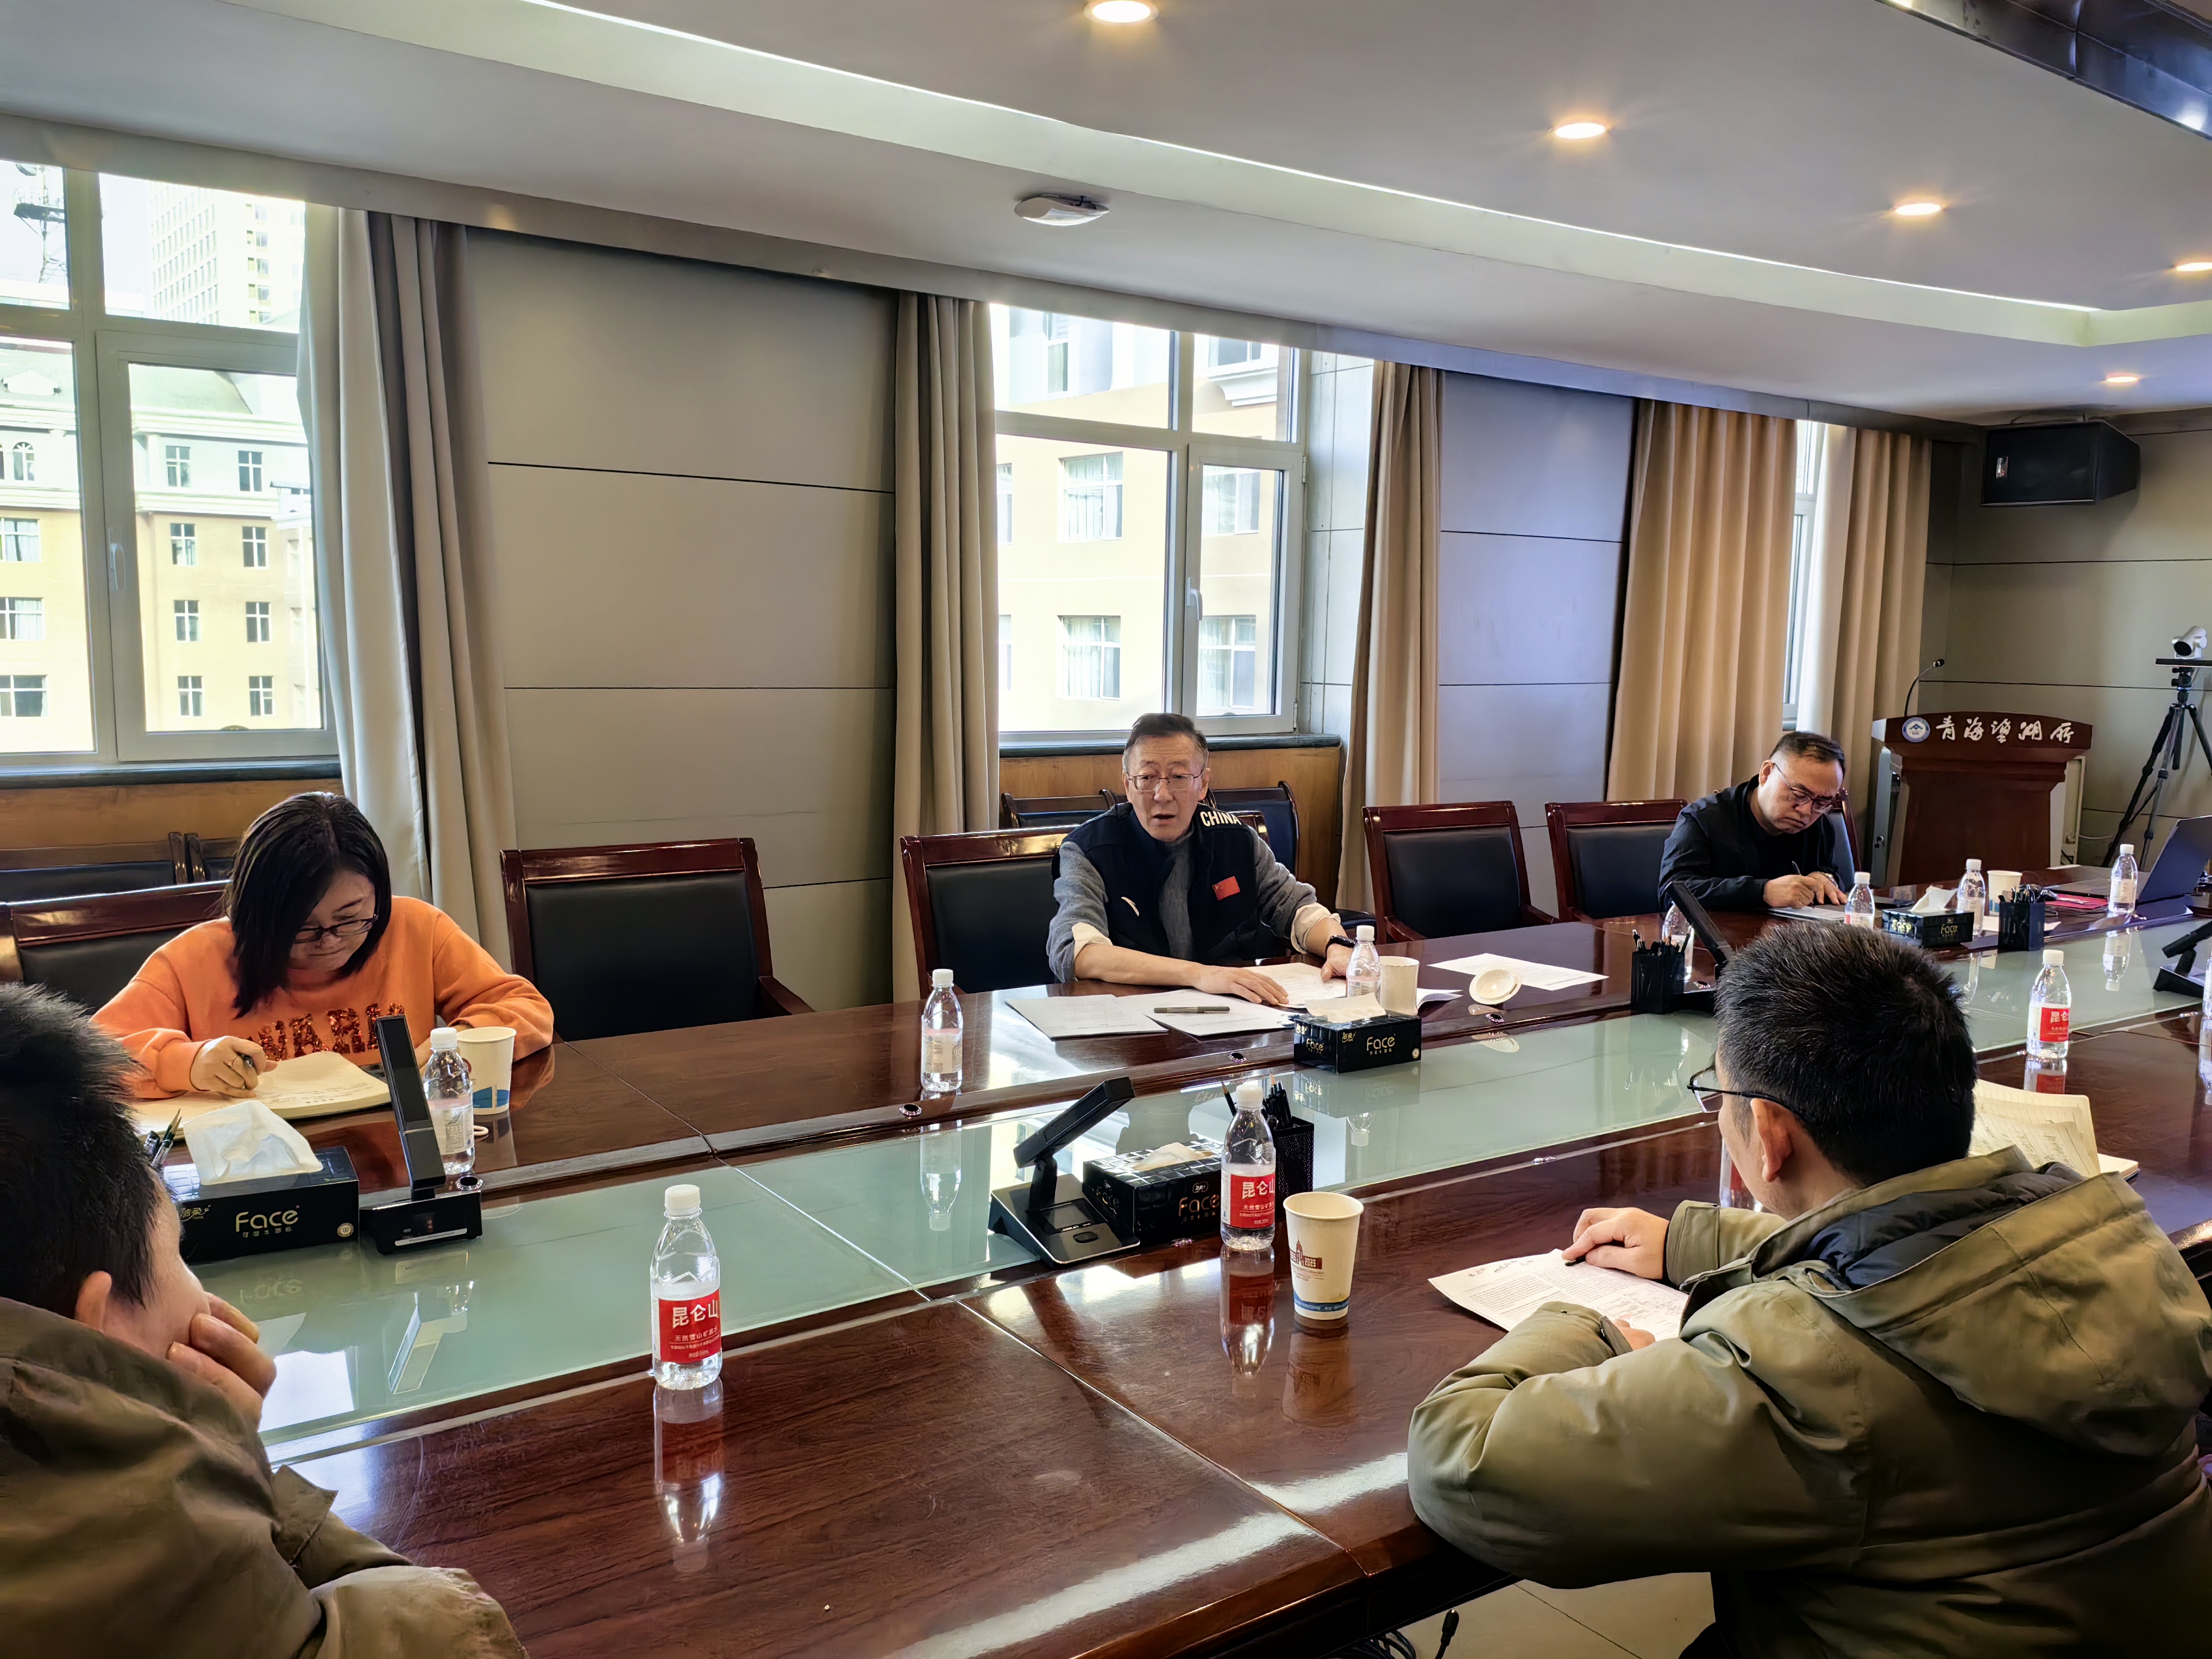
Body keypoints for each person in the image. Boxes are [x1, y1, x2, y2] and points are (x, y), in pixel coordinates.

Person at [1406, 924, 2212, 1656]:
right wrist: (1695, 1241)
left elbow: (1460, 1464)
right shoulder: (2110, 1236)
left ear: (1770, 1135)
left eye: (1718, 1096)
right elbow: (1926, 1256)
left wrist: (1588, 1328)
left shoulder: (1804, 1375)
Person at [0, 984, 525, 1657]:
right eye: (180, 1254)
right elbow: (427, 1624)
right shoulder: (162, 1569)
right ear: (97, 1326)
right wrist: (224, 1463)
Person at [97, 792, 551, 1098]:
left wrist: (459, 1044)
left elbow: (525, 1008)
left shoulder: (415, 927)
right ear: (255, 915)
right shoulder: (196, 957)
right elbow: (92, 1059)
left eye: (350, 918)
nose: (330, 942)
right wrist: (188, 1063)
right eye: (302, 928)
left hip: (395, 1154)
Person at [1047, 712, 1352, 1004]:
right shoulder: (1089, 849)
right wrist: (1199, 975)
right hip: (1131, 1018)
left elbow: (1298, 909)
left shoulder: (1236, 839)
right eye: (1147, 777)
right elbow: (1079, 952)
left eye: (1179, 777)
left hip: (1234, 1015)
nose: (1162, 794)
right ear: (1128, 785)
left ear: (1202, 784)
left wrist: (1338, 945)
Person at [1658, 730, 1856, 912]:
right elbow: (1673, 893)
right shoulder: (1703, 819)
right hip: (1721, 936)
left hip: (1794, 936)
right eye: (1798, 794)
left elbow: (1829, 871)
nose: (1806, 812)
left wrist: (1824, 879)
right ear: (1766, 773)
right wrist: (1763, 892)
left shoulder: (1820, 823)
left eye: (1822, 802)